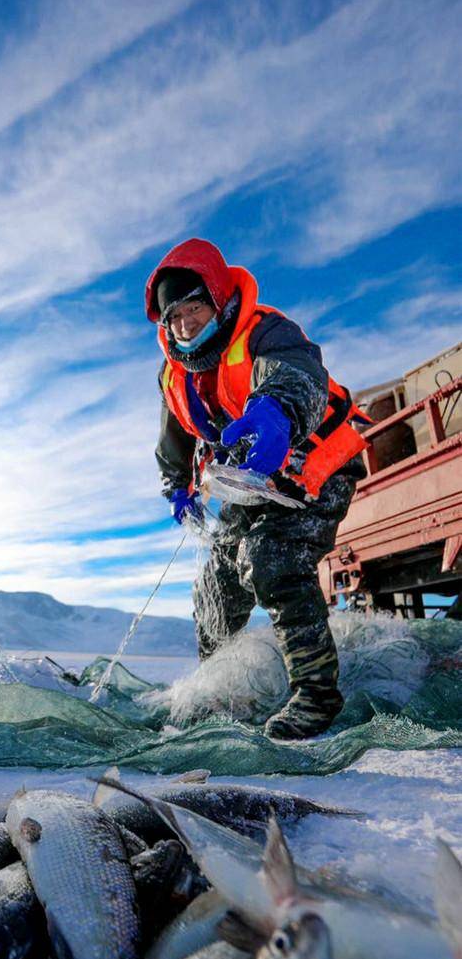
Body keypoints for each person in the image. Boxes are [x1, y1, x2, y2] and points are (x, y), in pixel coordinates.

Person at [145, 237, 369, 739]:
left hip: (317, 466)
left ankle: (316, 697)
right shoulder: (175, 375)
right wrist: (177, 488)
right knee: (215, 587)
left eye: (194, 307)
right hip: (253, 486)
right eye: (173, 317)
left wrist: (275, 412)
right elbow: (174, 438)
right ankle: (218, 689)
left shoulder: (268, 332)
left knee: (270, 557)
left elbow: (296, 376)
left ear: (218, 298)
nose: (184, 324)